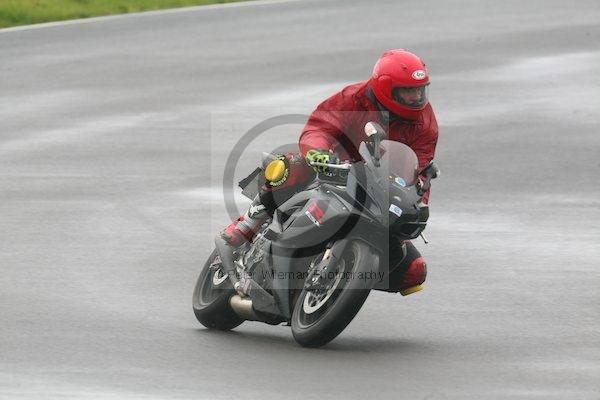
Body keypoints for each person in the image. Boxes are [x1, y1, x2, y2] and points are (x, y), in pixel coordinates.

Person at [221, 49, 438, 294]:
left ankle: (344, 280)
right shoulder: (353, 98)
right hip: (335, 169)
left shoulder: (425, 123)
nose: (416, 97)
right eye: (408, 91)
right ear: (386, 88)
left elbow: (419, 172)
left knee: (414, 271)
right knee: (294, 165)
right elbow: (320, 126)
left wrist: (414, 205)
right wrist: (319, 152)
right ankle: (250, 221)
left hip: (377, 188)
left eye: (420, 90)